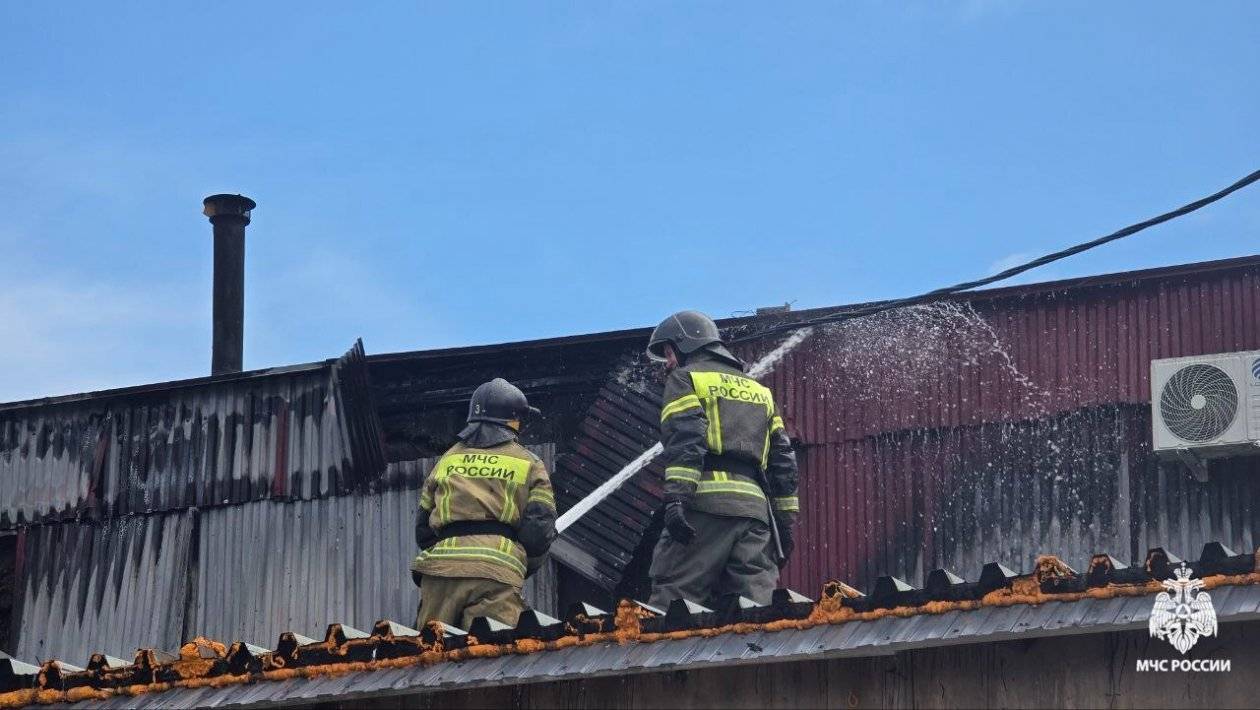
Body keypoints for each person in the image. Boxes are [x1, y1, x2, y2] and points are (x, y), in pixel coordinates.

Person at [645, 310, 799, 607]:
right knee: (753, 611)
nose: (668, 364)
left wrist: (677, 499)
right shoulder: (760, 391)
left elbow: (686, 438)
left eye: (667, 353)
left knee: (675, 601)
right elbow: (784, 463)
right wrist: (785, 522)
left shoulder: (685, 378)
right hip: (755, 517)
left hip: (704, 506)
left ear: (683, 344)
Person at [411, 377, 556, 630]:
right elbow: (539, 530)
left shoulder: (447, 459)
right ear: (513, 421)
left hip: (440, 574)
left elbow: (423, 528)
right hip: (495, 573)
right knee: (490, 656)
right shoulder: (529, 462)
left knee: (430, 657)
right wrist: (521, 563)